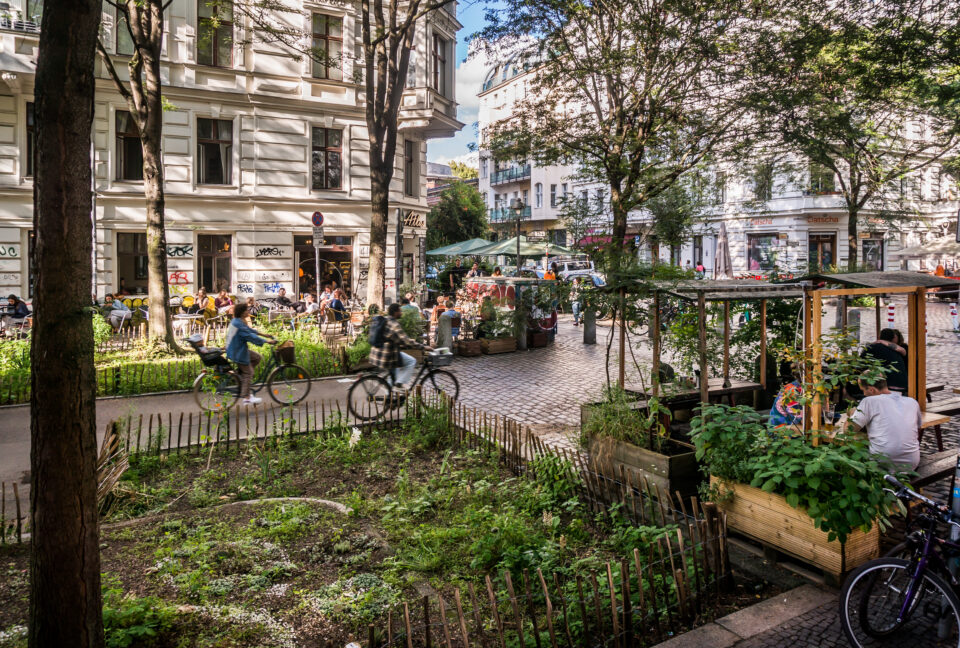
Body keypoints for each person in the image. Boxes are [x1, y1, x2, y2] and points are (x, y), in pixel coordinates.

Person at [847, 374, 921, 470]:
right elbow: (917, 428)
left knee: (853, 458)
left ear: (871, 389)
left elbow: (848, 430)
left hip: (882, 465)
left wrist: (851, 414)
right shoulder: (912, 402)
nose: (864, 394)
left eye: (863, 390)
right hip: (912, 464)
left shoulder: (869, 401)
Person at [225, 301, 277, 406]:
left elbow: (249, 330)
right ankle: (247, 398)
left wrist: (265, 335)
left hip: (236, 348)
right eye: (246, 310)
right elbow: (250, 336)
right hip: (237, 351)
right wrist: (267, 341)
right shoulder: (238, 323)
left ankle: (242, 376)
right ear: (242, 312)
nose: (248, 311)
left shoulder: (238, 321)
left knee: (257, 357)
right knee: (248, 373)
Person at [369, 302, 428, 389]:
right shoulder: (394, 325)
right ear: (395, 312)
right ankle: (399, 384)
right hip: (388, 356)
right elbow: (406, 341)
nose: (401, 313)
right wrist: (423, 347)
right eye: (400, 311)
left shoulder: (386, 320)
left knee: (393, 375)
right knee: (411, 361)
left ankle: (390, 397)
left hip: (378, 353)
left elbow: (399, 339)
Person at [861, 328, 907, 392]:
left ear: (879, 337)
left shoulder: (871, 347)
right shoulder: (898, 350)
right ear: (894, 338)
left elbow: (861, 364)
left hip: (885, 386)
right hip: (902, 385)